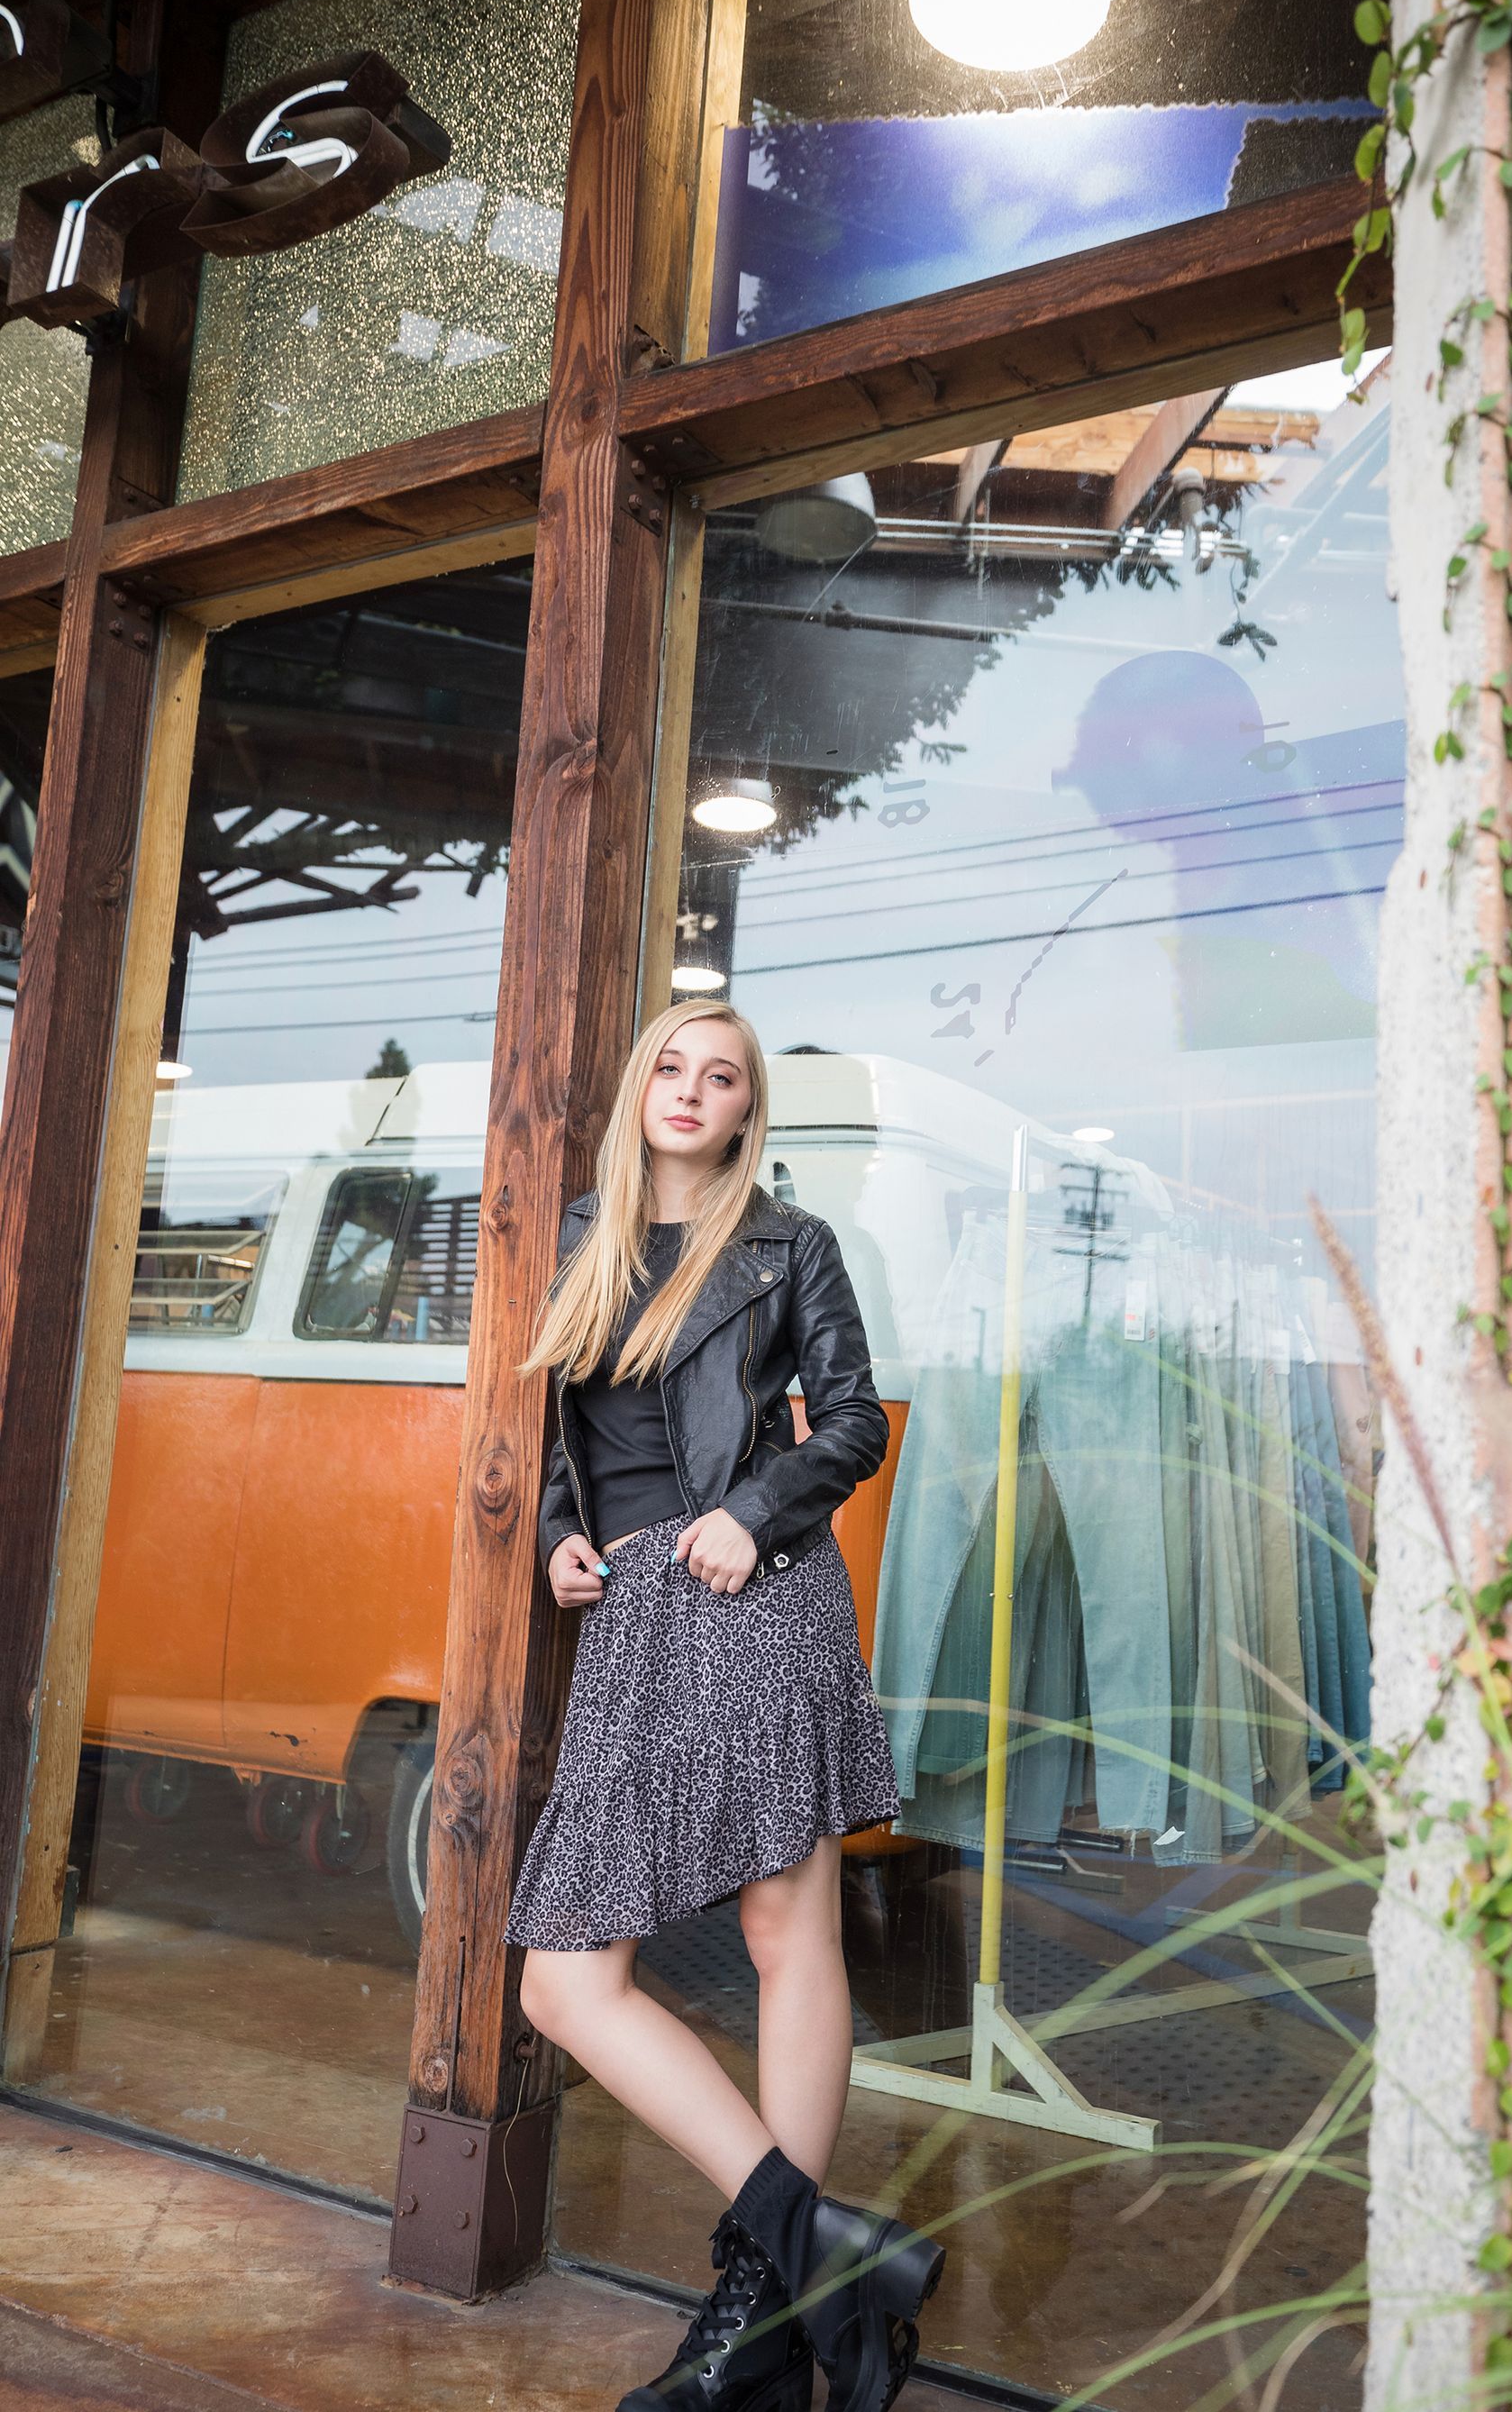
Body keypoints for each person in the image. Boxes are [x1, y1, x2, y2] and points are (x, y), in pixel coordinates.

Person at [509, 1001, 943, 2412]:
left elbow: (861, 1416)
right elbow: (578, 1444)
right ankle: (823, 2259)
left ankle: (756, 2324)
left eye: (724, 1078)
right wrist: (561, 1538)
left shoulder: (788, 1244)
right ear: (641, 1090)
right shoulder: (584, 1240)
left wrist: (758, 1511)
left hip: (757, 1597)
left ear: (750, 1111)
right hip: (633, 1619)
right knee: (565, 1979)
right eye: (675, 1069)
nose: (693, 1092)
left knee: (784, 1933)